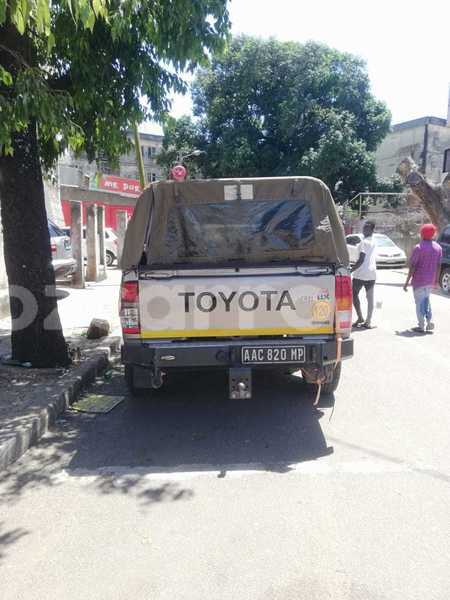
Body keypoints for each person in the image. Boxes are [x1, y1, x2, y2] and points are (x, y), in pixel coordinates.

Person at [403, 223, 442, 333]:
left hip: (419, 281)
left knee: (419, 303)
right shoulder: (438, 248)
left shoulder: (418, 248)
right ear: (433, 234)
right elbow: (439, 265)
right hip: (430, 280)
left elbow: (413, 267)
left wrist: (406, 283)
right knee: (426, 300)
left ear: (422, 234)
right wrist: (436, 280)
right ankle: (430, 320)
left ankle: (421, 326)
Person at [351, 221, 377, 329]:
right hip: (371, 273)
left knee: (354, 294)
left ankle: (360, 317)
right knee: (370, 298)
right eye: (364, 227)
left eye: (366, 228)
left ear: (371, 230)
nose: (364, 229)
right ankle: (368, 322)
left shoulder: (363, 242)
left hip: (360, 274)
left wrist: (351, 270)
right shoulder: (374, 241)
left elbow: (361, 259)